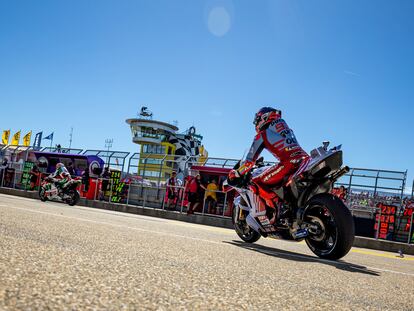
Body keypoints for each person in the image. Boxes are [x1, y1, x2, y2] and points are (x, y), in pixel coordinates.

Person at [228, 107, 310, 219]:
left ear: (264, 117)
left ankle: (277, 211)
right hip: (305, 160)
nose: (256, 123)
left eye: (257, 120)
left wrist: (236, 173)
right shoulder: (287, 130)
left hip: (288, 163)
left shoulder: (262, 134)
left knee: (256, 182)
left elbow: (248, 162)